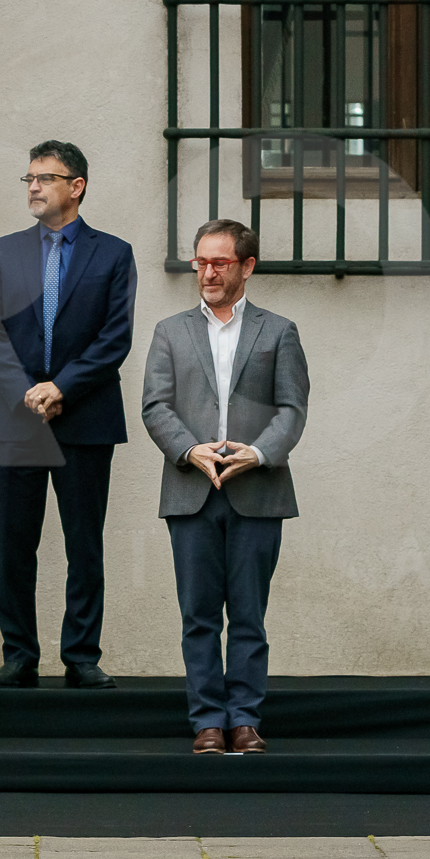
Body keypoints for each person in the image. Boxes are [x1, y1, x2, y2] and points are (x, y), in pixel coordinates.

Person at [141, 219, 308, 756]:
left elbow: (292, 408)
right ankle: (208, 721)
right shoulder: (170, 331)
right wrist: (191, 449)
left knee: (248, 615)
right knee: (198, 615)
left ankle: (244, 721)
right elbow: (155, 405)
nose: (207, 272)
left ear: (247, 267)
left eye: (220, 263)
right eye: (201, 262)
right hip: (191, 489)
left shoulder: (279, 331)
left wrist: (257, 455)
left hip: (257, 492)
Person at [0, 139, 137, 691]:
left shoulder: (113, 254)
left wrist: (61, 388)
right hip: (17, 417)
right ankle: (19, 655)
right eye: (28, 179)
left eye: (45, 177)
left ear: (77, 186)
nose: (34, 187)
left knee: (83, 543)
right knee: (15, 543)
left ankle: (82, 654)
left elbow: (115, 337)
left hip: (84, 416)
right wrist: (27, 390)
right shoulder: (4, 250)